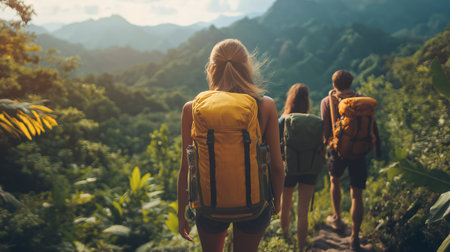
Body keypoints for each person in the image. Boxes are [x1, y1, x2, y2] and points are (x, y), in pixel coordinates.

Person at [177, 38, 285, 252]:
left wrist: (182, 213)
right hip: (255, 204)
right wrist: (276, 202)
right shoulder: (265, 105)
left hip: (208, 206)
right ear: (246, 67)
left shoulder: (192, 109)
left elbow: (186, 168)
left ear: (211, 69)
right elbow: (277, 167)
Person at [320, 70, 381, 251]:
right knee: (357, 195)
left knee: (335, 181)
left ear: (334, 84)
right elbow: (372, 125)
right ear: (351, 83)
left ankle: (337, 218)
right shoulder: (362, 100)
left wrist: (324, 146)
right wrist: (377, 147)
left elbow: (326, 130)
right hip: (359, 152)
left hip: (337, 151)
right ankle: (354, 236)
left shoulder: (327, 100)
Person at [278, 84, 319, 251]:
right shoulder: (314, 122)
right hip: (309, 169)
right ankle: (301, 247)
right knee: (303, 211)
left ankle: (286, 240)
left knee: (285, 205)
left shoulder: (283, 120)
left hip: (289, 168)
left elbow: (276, 146)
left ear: (291, 98)